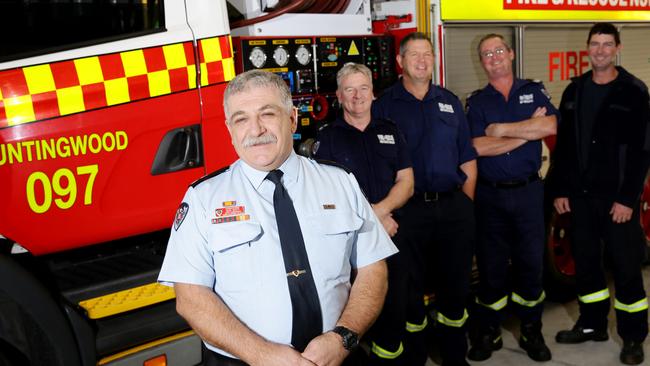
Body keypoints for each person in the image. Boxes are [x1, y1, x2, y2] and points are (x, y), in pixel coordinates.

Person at [158, 69, 398, 366]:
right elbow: (191, 298)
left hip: (338, 356)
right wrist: (262, 355)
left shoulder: (340, 182)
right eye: (241, 119)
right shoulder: (203, 199)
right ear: (229, 129)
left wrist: (344, 337)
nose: (256, 130)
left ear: (292, 118)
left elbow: (373, 268)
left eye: (267, 114)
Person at [372, 32, 478, 366]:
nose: (422, 60)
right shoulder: (384, 105)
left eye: (428, 54)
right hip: (408, 212)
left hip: (453, 207)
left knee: (456, 285)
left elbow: (467, 158)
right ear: (400, 62)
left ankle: (454, 356)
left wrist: (465, 205)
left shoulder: (449, 101)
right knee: (408, 291)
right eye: (414, 55)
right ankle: (415, 357)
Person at [549, 22, 650, 365]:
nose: (601, 50)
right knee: (587, 264)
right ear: (588, 47)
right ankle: (592, 325)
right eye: (596, 44)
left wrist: (628, 199)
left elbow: (642, 151)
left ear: (618, 48)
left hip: (616, 200)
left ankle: (633, 336)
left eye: (608, 44)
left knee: (625, 267)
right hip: (580, 196)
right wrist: (561, 188)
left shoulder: (634, 91)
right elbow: (563, 146)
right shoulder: (574, 91)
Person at [313, 63, 420, 365]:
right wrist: (373, 221)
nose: (357, 95)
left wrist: (381, 212)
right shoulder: (328, 139)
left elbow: (407, 182)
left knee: (396, 308)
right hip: (353, 245)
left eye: (363, 88)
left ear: (373, 94)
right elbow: (326, 196)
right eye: (349, 89)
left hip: (394, 234)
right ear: (339, 95)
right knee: (358, 311)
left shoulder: (390, 131)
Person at [464, 33, 557, 363]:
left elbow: (549, 125)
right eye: (486, 54)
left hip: (530, 193)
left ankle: (532, 330)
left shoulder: (532, 91)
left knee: (532, 263)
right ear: (482, 61)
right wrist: (525, 131)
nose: (493, 57)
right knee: (490, 267)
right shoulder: (477, 102)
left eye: (498, 51)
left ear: (512, 54)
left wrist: (501, 130)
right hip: (491, 197)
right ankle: (489, 331)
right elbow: (475, 146)